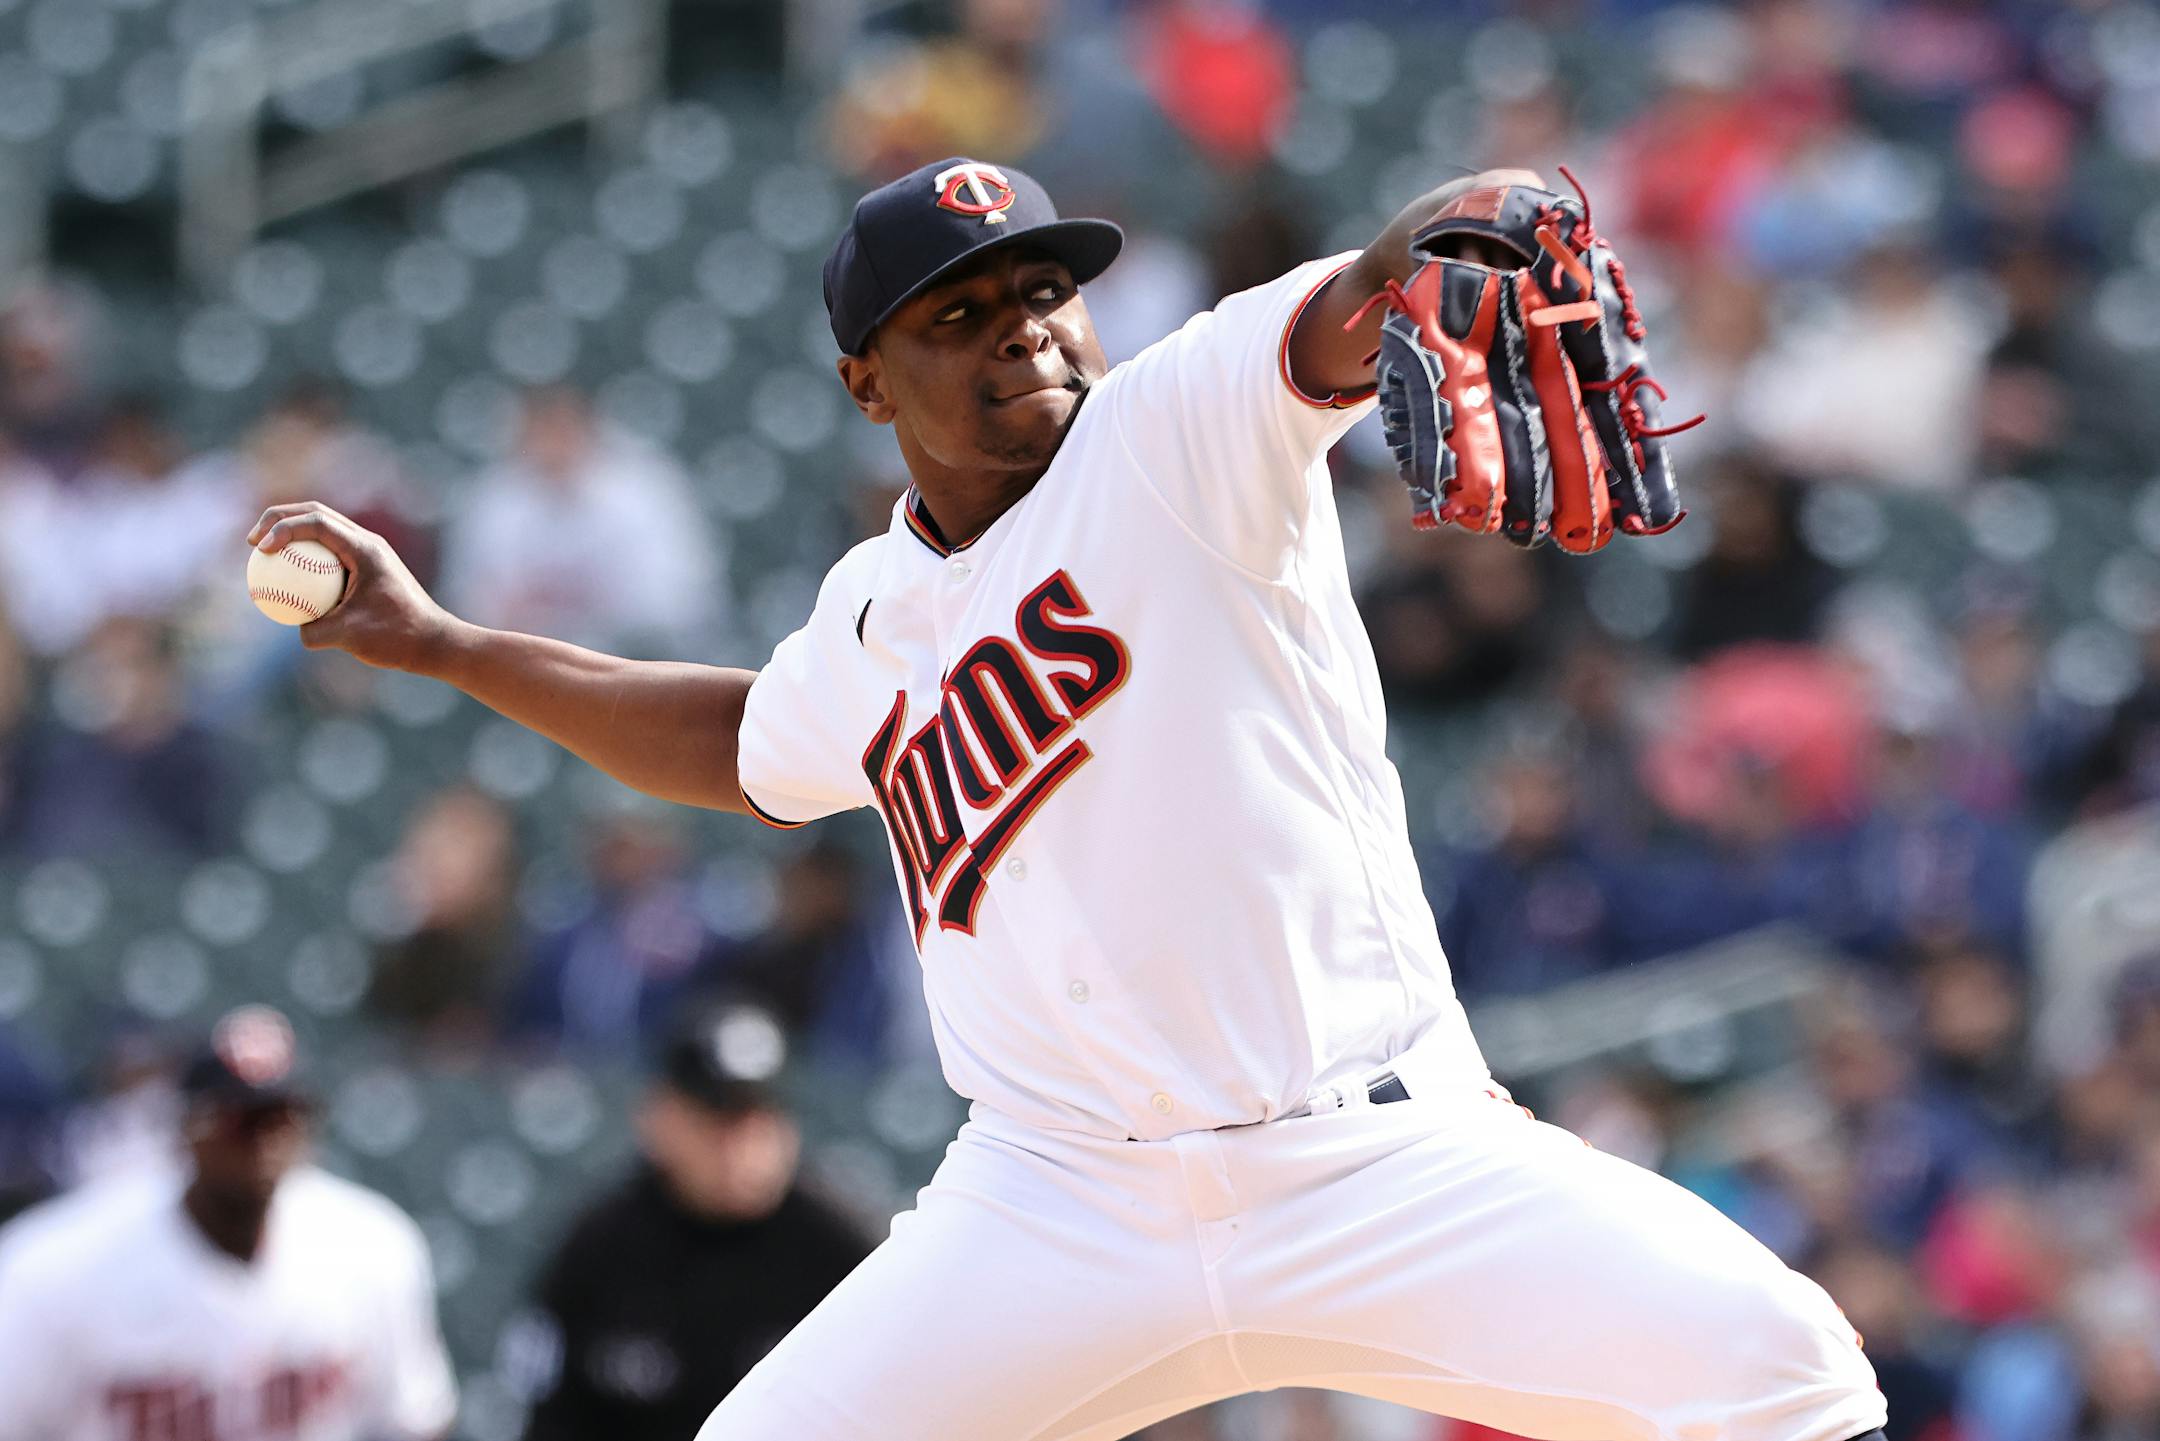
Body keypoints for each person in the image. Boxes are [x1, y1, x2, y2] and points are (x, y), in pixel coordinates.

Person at [248, 156, 1889, 1440]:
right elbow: (741, 741)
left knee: (1783, 1366)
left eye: (1044, 290)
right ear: (865, 385)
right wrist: (447, 642)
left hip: (1368, 1155)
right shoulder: (872, 616)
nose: (1025, 325)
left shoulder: (1171, 430)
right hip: (1055, 1201)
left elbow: (1332, 321)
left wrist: (1445, 225)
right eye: (958, 315)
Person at [0, 1005, 458, 1441]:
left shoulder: (371, 1245)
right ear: (185, 1130)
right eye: (241, 1121)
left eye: (282, 1117)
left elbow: (413, 1421)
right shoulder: (54, 1266)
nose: (264, 1143)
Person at [513, 1000, 871, 1441]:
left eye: (758, 1116)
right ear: (660, 1118)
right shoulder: (603, 1246)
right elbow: (550, 1416)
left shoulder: (842, 1250)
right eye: (718, 1117)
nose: (739, 1144)